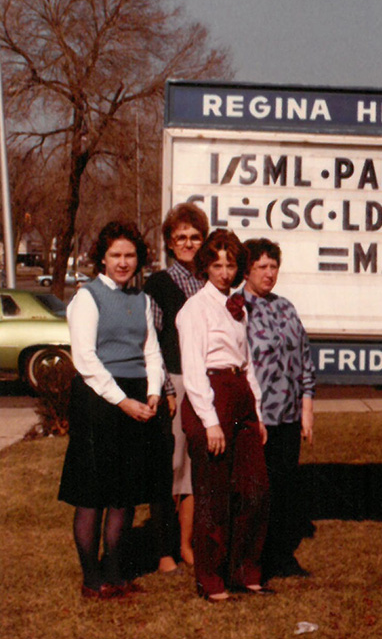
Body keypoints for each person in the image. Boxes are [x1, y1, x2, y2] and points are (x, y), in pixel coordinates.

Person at [58, 221, 166, 599]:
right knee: (94, 493)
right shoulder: (87, 298)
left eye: (130, 255)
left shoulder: (143, 300)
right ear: (101, 258)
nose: (123, 262)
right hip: (99, 400)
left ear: (140, 259)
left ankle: (116, 573)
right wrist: (122, 401)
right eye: (116, 255)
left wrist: (152, 392)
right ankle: (92, 579)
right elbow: (85, 359)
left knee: (125, 492)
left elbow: (151, 350)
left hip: (137, 396)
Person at [177, 229, 272, 602]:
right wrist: (210, 421)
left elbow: (246, 364)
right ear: (206, 267)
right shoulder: (194, 310)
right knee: (213, 496)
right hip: (210, 400)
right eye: (217, 265)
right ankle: (211, 579)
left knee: (255, 490)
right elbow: (193, 368)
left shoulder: (238, 307)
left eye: (230, 265)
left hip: (241, 398)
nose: (224, 272)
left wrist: (258, 413)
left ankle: (245, 570)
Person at [239, 238, 316, 581]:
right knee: (258, 490)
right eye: (262, 267)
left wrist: (307, 406)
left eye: (274, 267)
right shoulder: (236, 308)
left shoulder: (285, 307)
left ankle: (282, 556)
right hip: (258, 416)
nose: (269, 274)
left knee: (284, 489)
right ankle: (254, 560)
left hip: (287, 415)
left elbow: (304, 357)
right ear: (247, 270)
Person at [144, 202, 209, 572]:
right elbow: (150, 340)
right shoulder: (159, 284)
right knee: (169, 470)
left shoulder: (210, 282)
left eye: (194, 236)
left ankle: (187, 545)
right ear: (170, 241)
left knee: (193, 474)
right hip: (175, 385)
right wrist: (166, 388)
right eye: (180, 237)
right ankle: (164, 550)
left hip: (205, 385)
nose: (187, 243)